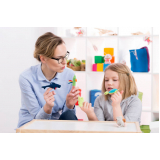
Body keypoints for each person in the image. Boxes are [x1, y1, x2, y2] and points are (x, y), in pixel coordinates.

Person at [17, 32, 79, 128]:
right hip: (31, 124)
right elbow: (37, 119)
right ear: (43, 59)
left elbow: (68, 117)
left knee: (70, 115)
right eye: (59, 58)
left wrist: (69, 105)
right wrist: (47, 107)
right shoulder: (26, 78)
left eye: (65, 56)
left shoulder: (69, 75)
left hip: (56, 125)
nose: (64, 62)